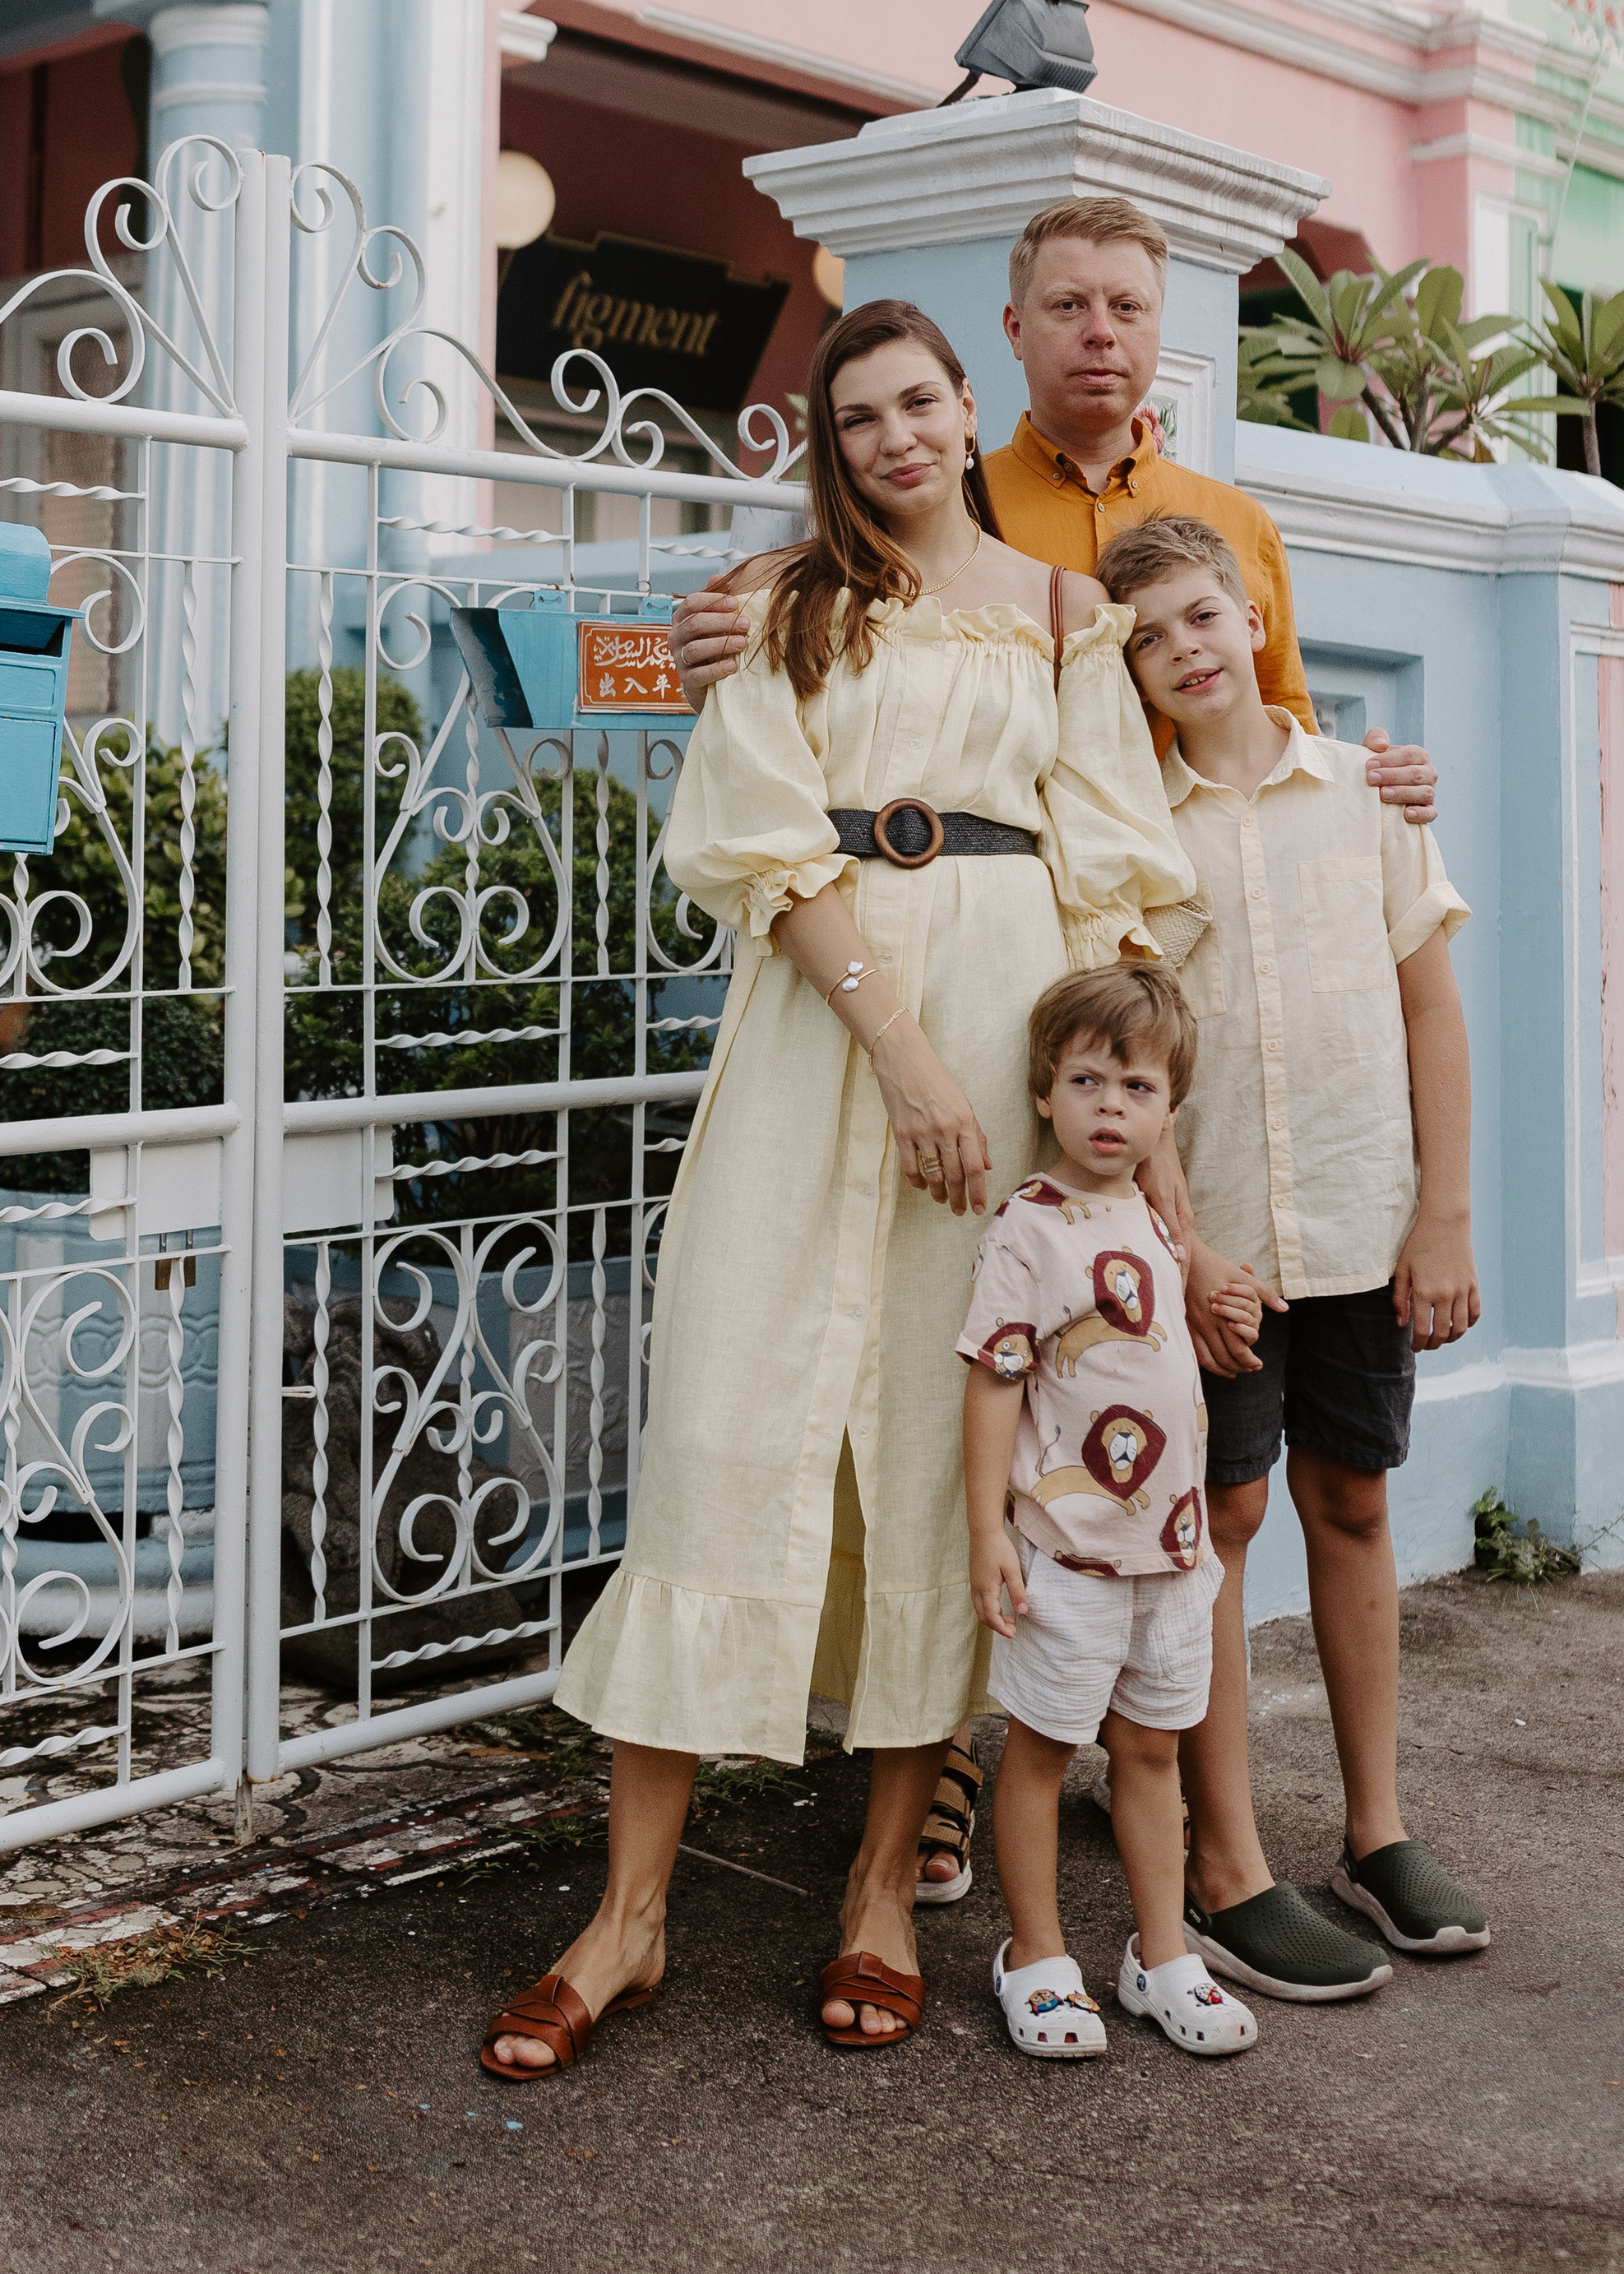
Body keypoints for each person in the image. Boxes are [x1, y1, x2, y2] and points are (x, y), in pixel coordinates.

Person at [668, 192, 1443, 1894]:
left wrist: (1389, 780)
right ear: (1004, 334)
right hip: (1000, 1018)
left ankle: (1192, 1794)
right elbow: (778, 662)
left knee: (1161, 1428)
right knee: (961, 1371)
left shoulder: (1224, 522)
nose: (1098, 330)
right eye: (1064, 304)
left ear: (1159, 328)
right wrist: (704, 628)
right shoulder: (938, 498)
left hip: (1189, 1026)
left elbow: (1273, 728)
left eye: (1125, 305)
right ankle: (947, 1767)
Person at [477, 298, 1192, 2081]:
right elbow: (754, 833)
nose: (894, 436)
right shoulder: (782, 603)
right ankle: (627, 1917)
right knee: (723, 1418)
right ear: (830, 438)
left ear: (971, 413)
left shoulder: (1059, 613)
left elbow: (1113, 884)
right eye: (858, 412)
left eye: (920, 403)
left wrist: (1136, 1176)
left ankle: (880, 1889)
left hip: (1003, 1031)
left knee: (935, 1432)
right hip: (829, 1039)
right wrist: (906, 1056)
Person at [1098, 513, 1490, 2003]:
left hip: (1359, 1210)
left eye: (1204, 614)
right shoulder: (1139, 827)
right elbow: (1138, 1062)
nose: (1189, 647)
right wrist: (1184, 1249)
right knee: (1226, 1512)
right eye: (1152, 636)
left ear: (1253, 610)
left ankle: (1376, 1832)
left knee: (1353, 1494)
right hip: (1228, 1250)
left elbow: (1431, 1013)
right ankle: (1227, 1859)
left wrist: (1442, 1214)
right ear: (1129, 670)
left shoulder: (1370, 797)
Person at [963, 963, 1261, 2064]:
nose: (1110, 1108)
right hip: (1071, 1564)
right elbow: (994, 1378)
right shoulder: (1029, 1232)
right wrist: (990, 1530)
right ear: (1045, 1093)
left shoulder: (1156, 1217)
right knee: (1042, 1753)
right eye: (1086, 1082)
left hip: (1173, 1564)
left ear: (1168, 1112)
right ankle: (1037, 1957)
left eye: (1137, 1089)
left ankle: (1161, 1954)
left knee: (1151, 1756)